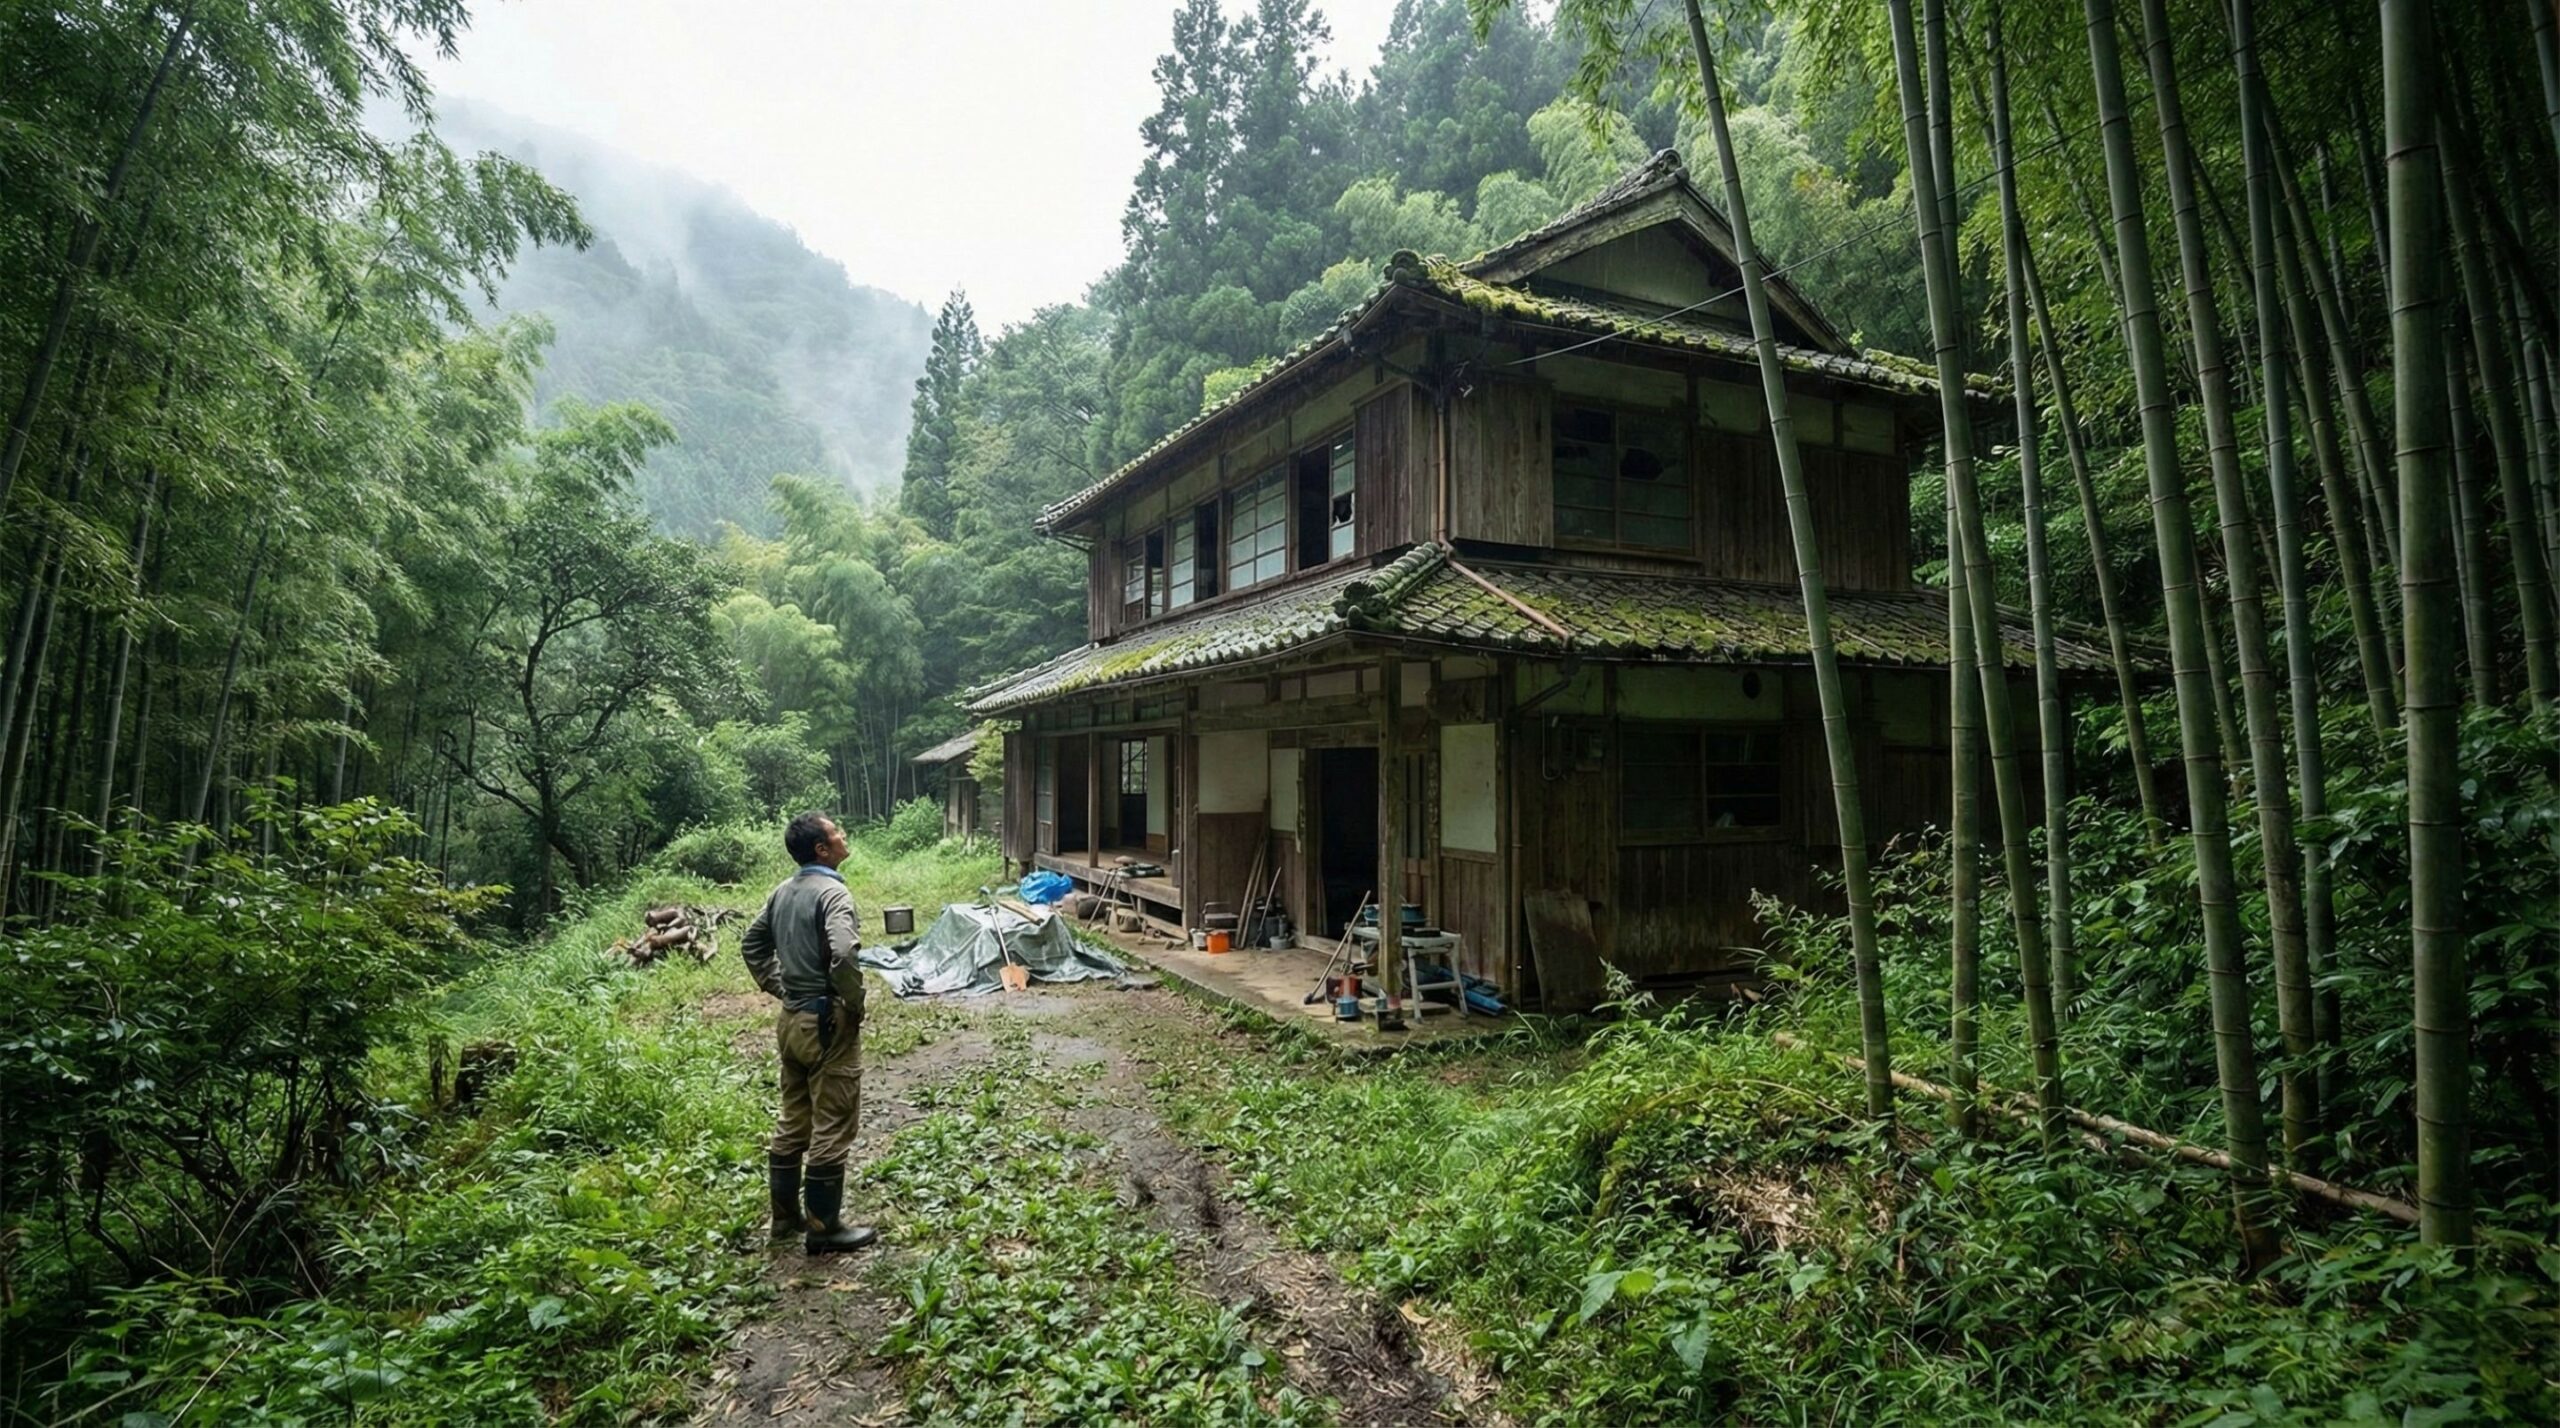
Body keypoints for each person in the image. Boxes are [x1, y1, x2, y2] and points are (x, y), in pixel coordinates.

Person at [739, 811, 877, 1253]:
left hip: (791, 1021)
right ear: (822, 849)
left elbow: (751, 943)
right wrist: (853, 1004)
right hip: (826, 1021)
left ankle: (784, 1220)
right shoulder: (833, 894)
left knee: (793, 1116)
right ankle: (823, 1228)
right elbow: (842, 953)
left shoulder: (782, 891)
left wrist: (779, 985)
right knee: (832, 1122)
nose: (843, 835)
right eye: (837, 832)